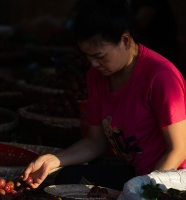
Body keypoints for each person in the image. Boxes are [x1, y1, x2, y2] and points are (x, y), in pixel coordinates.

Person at [21, 0, 186, 192]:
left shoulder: (160, 76)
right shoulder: (96, 76)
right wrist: (53, 160)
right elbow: (95, 142)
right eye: (87, 56)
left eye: (99, 56)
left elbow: (179, 149)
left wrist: (144, 191)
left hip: (173, 178)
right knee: (62, 179)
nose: (93, 64)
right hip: (136, 173)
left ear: (125, 40)